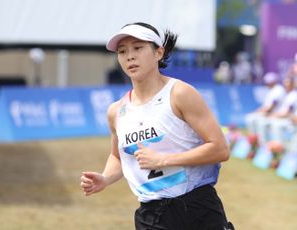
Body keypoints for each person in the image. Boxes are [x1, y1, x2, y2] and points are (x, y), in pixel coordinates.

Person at [80, 22, 234, 230]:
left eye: (138, 48)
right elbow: (118, 156)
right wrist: (105, 178)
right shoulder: (116, 111)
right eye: (122, 51)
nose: (130, 56)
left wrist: (164, 160)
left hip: (198, 207)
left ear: (158, 53)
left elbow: (220, 148)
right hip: (151, 216)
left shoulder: (180, 94)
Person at [245, 72, 286, 144]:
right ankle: (254, 141)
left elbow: (271, 107)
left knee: (259, 121)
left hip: (274, 114)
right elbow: (266, 106)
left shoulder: (278, 90)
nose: (266, 84)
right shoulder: (272, 90)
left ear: (273, 81)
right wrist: (257, 111)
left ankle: (263, 144)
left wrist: (259, 112)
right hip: (270, 114)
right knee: (250, 118)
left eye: (268, 82)